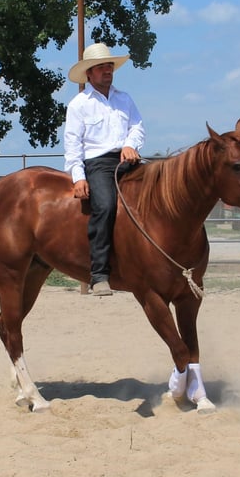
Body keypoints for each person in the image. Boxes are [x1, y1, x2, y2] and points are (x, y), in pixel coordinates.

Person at [64, 43, 145, 296]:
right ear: (89, 73)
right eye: (100, 67)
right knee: (106, 206)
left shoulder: (125, 99)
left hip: (128, 160)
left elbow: (138, 127)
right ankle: (99, 274)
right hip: (98, 164)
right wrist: (78, 177)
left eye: (109, 66)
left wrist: (130, 145)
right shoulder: (79, 104)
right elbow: (73, 144)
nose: (106, 71)